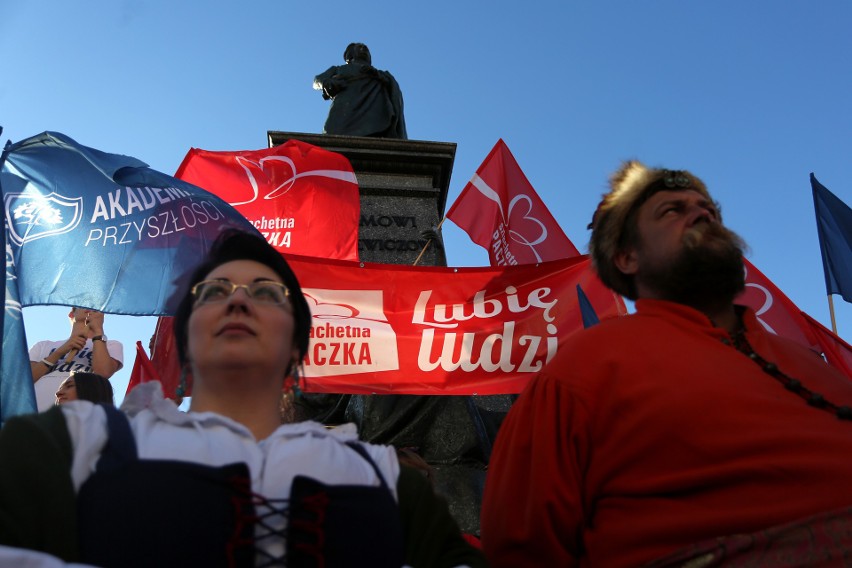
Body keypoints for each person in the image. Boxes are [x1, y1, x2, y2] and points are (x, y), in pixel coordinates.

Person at [0, 229, 484, 568]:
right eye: (214, 291)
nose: (238, 300)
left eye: (267, 293)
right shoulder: (75, 443)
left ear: (297, 344)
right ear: (187, 336)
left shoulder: (386, 480)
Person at [481, 160, 852, 567]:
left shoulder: (811, 364)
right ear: (626, 258)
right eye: (672, 210)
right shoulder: (581, 371)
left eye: (708, 209)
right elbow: (521, 550)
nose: (702, 213)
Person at [28, 307, 123, 412]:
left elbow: (102, 373)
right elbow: (25, 380)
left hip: (79, 416)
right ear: (71, 314)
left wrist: (98, 332)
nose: (89, 307)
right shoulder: (43, 345)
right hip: (34, 414)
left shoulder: (110, 345)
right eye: (83, 303)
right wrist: (60, 351)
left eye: (95, 306)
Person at [313, 42, 407, 139]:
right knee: (331, 134)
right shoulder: (339, 69)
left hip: (373, 112)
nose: (364, 50)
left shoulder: (380, 74)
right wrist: (326, 83)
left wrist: (377, 75)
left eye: (365, 48)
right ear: (350, 55)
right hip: (344, 108)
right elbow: (317, 80)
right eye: (360, 48)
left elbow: (392, 87)